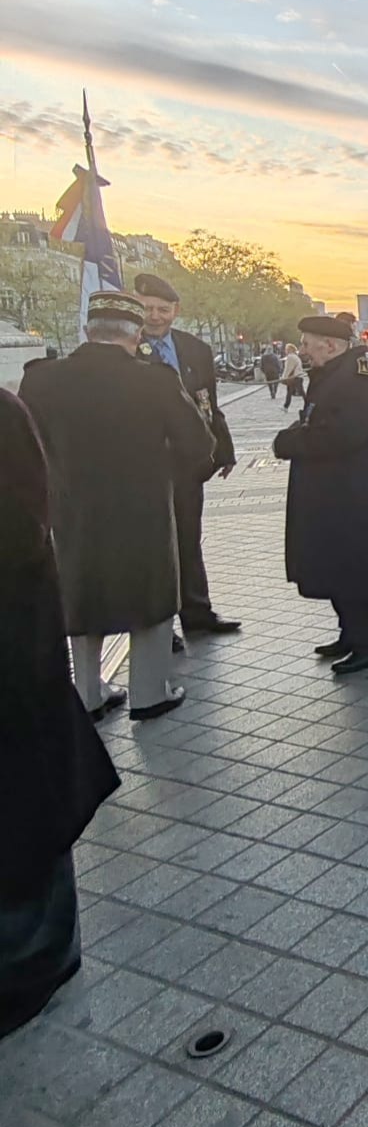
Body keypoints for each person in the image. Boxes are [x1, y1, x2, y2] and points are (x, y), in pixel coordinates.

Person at [20, 290, 215, 719]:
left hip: (71, 508)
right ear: (136, 333)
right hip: (142, 509)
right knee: (150, 591)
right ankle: (149, 692)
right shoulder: (155, 379)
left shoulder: (41, 378)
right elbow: (199, 444)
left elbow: (23, 443)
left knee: (80, 590)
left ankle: (88, 693)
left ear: (89, 330)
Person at [0, 387, 120, 1037]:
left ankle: (41, 957)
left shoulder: (3, 413)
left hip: (14, 660)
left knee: (25, 813)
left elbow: (20, 530)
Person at [273, 315, 368, 673]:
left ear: (331, 345)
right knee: (340, 568)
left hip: (356, 494)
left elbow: (342, 435)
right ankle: (351, 634)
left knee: (361, 571)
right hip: (336, 492)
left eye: (307, 343)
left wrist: (288, 442)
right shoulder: (337, 374)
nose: (302, 351)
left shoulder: (356, 378)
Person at [133, 273, 240, 640]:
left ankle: (197, 613)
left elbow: (208, 403)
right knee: (149, 545)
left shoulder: (195, 349)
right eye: (148, 308)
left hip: (187, 461)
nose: (156, 316)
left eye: (163, 309)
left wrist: (223, 449)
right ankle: (160, 625)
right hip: (141, 463)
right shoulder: (125, 347)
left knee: (188, 538)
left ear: (176, 311)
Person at [280, 341, 305, 411]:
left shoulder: (290, 357)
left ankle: (286, 406)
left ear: (290, 350)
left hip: (294, 377)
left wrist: (283, 378)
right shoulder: (296, 357)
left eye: (286, 349)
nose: (285, 351)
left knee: (299, 392)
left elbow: (288, 368)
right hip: (297, 377)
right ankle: (286, 406)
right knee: (294, 392)